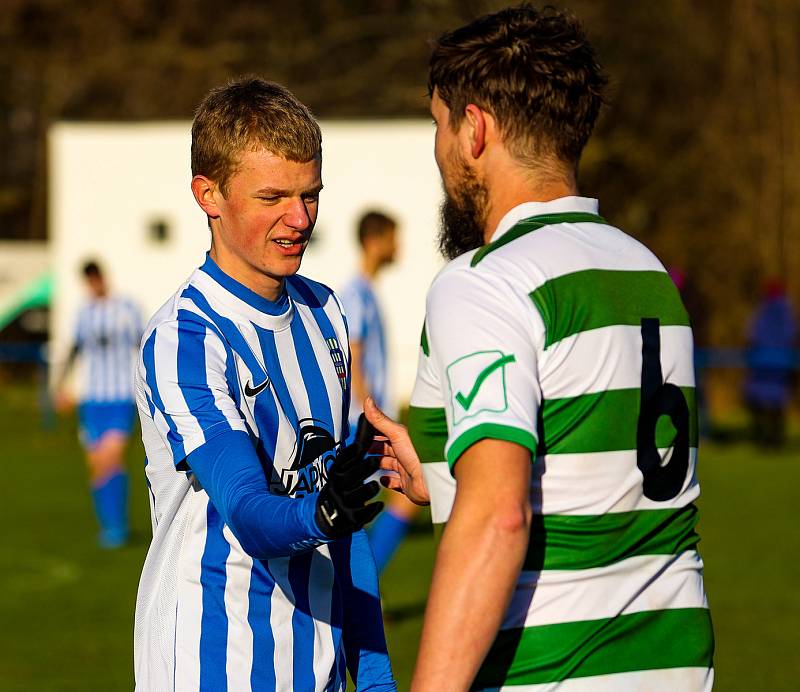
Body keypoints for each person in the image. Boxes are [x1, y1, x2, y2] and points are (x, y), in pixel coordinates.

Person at [365, 6, 714, 690]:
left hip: (551, 674)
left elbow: (499, 515)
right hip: (676, 668)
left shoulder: (485, 283)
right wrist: (440, 469)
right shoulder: (645, 272)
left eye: (438, 126)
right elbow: (602, 478)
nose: (437, 151)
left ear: (475, 130)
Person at [133, 77, 394, 691]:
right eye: (273, 197)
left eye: (311, 195)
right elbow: (248, 511)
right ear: (209, 195)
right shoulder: (185, 337)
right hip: (212, 664)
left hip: (319, 664)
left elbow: (345, 504)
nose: (299, 219)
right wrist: (324, 511)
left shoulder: (325, 310)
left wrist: (376, 675)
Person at [339, 211, 415, 573]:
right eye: (393, 237)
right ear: (374, 241)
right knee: (391, 503)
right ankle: (357, 590)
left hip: (369, 421)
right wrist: (374, 420)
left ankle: (356, 589)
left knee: (375, 510)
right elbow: (353, 358)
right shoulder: (354, 294)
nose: (398, 246)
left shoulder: (367, 292)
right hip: (364, 424)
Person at [55, 259, 142, 548]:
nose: (95, 284)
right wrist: (60, 387)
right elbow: (74, 350)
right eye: (89, 280)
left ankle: (118, 528)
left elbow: (142, 347)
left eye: (97, 278)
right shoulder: (84, 314)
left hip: (120, 398)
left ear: (103, 277)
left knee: (111, 458)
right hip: (92, 401)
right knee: (97, 466)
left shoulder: (127, 309)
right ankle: (108, 527)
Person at [744, 278, 797, 447]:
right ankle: (775, 439)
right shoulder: (787, 313)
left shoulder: (761, 312)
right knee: (777, 405)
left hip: (762, 367)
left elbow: (751, 336)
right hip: (781, 366)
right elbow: (792, 336)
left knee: (757, 401)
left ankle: (761, 438)